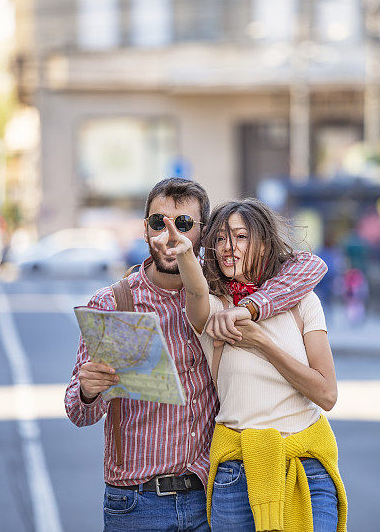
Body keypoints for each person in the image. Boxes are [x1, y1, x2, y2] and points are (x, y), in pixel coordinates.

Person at [65, 178, 328, 532]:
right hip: (138, 503)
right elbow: (79, 412)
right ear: (145, 230)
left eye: (184, 224)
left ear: (202, 234)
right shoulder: (115, 304)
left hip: (209, 498)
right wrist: (88, 390)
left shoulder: (222, 296)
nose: (170, 235)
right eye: (159, 223)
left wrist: (249, 309)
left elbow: (308, 267)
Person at [158, 197, 347, 532]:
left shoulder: (303, 303)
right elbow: (196, 294)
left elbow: (327, 395)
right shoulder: (216, 310)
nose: (228, 247)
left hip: (306, 467)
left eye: (241, 236)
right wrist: (186, 251)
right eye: (219, 238)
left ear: (264, 242)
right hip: (236, 472)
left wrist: (263, 343)